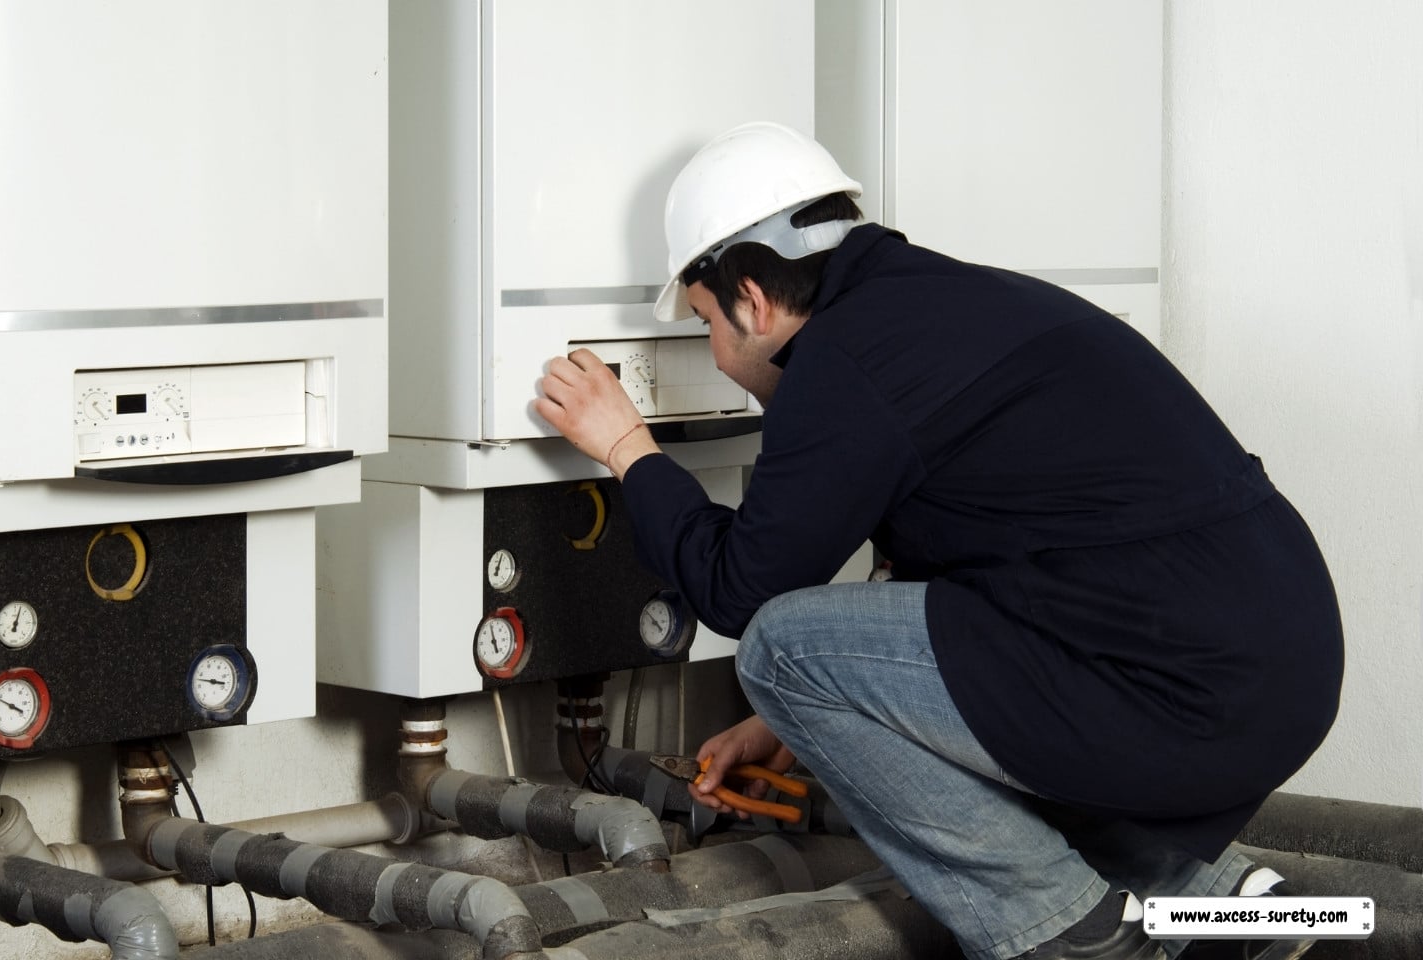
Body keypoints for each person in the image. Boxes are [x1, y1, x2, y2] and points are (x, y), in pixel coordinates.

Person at [535, 121, 1343, 960]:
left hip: (1181, 691)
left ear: (752, 295)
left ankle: (1072, 937)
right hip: (1276, 662)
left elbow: (740, 593)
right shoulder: (944, 303)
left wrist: (628, 447)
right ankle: (1238, 913)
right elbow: (966, 590)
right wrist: (804, 720)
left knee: (777, 649)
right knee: (945, 689)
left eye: (705, 320)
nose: (712, 347)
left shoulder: (845, 359)